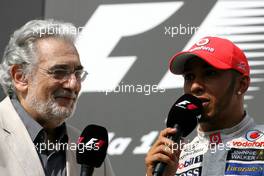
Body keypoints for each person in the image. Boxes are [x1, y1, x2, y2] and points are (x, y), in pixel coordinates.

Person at [0, 19, 115, 176]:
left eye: (78, 73)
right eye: (59, 71)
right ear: (21, 77)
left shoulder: (89, 149)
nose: (73, 85)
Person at [145, 36, 264, 176]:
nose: (195, 86)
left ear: (241, 84)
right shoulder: (171, 159)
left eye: (209, 73)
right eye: (189, 77)